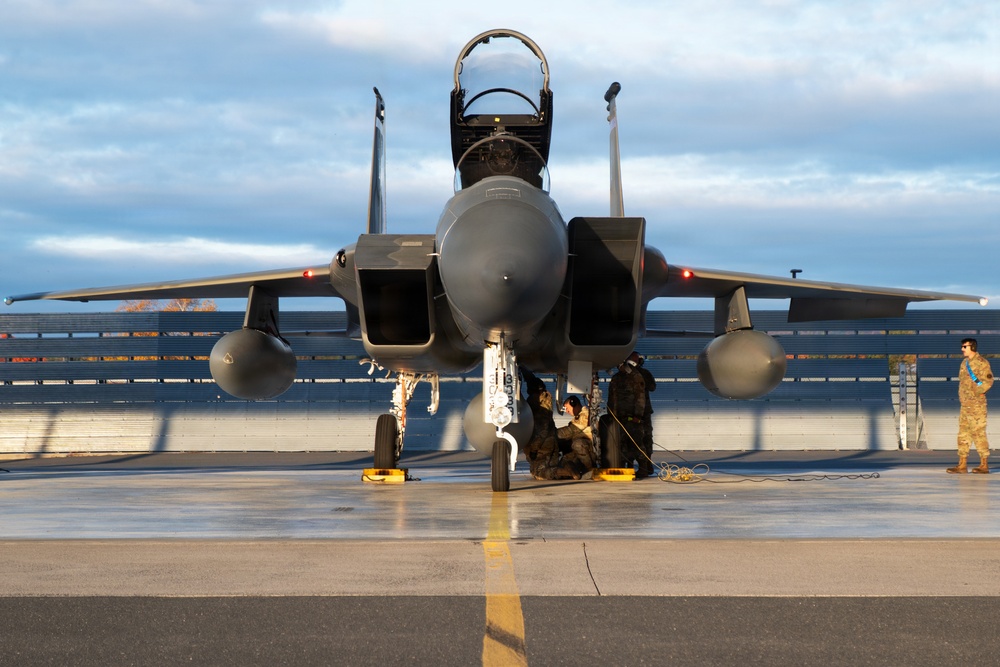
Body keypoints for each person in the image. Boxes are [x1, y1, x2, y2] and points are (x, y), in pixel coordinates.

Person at [520, 368, 576, 480]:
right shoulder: (543, 403)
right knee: (545, 467)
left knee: (539, 473)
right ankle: (565, 468)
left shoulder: (539, 407)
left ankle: (566, 470)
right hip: (548, 444)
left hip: (543, 447)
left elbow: (542, 429)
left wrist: (534, 450)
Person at [947, 338, 994, 474]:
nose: (962, 349)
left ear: (972, 347)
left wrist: (976, 391)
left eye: (964, 346)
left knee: (978, 433)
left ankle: (984, 464)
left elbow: (988, 381)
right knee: (963, 434)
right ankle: (962, 464)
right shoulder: (964, 363)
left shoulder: (982, 363)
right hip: (965, 405)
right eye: (962, 346)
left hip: (976, 405)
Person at [607, 351, 652, 478]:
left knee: (637, 443)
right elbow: (612, 397)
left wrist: (638, 415)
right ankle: (626, 467)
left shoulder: (636, 376)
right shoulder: (616, 378)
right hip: (619, 417)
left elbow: (640, 397)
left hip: (632, 417)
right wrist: (611, 414)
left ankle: (644, 468)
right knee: (621, 444)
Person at [557, 395, 595, 477]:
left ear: (574, 404)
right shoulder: (576, 418)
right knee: (563, 464)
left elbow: (572, 430)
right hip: (580, 451)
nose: (567, 411)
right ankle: (575, 472)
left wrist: (553, 433)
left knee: (578, 444)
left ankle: (590, 470)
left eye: (567, 408)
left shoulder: (586, 414)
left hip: (590, 448)